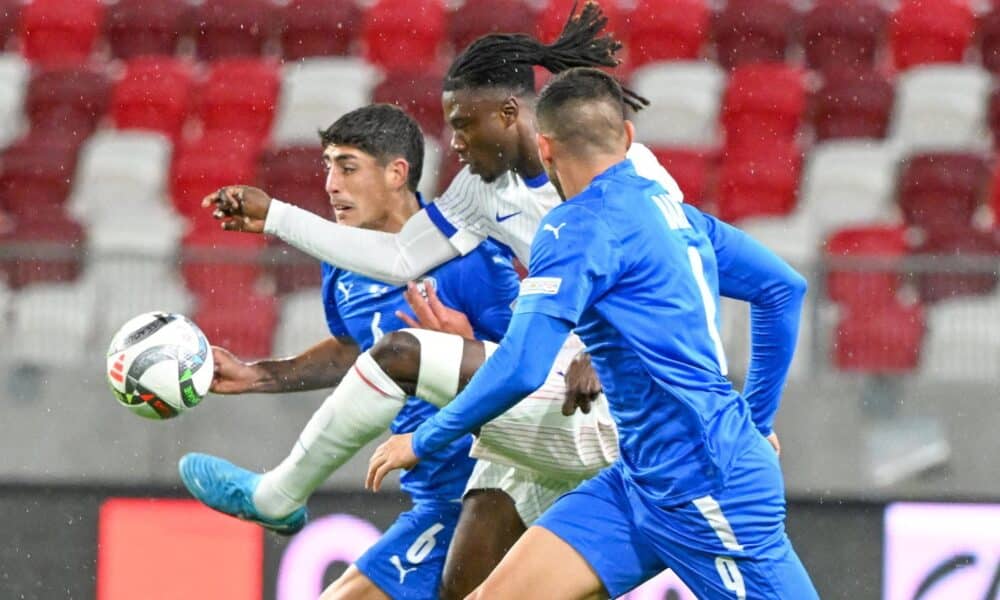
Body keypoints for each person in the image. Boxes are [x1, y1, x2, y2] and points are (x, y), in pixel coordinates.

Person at [196, 5, 670, 597]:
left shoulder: (616, 168)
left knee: (401, 353)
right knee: (461, 589)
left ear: (508, 113)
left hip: (621, 406)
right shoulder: (480, 190)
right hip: (533, 416)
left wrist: (607, 349)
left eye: (463, 124)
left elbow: (684, 268)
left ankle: (278, 494)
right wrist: (277, 218)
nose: (454, 142)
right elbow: (398, 257)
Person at [366, 67, 818, 599]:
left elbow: (522, 367)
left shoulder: (575, 226)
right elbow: (782, 289)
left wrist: (424, 438)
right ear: (627, 136)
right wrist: (758, 418)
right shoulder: (671, 209)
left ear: (545, 147)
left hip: (707, 485)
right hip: (638, 482)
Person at [178, 104, 522, 600]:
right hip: (433, 493)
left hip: (492, 489)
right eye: (327, 167)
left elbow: (535, 368)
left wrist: (466, 344)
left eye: (348, 167)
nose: (331, 185)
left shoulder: (469, 256)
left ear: (397, 172)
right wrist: (260, 376)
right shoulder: (342, 264)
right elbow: (353, 351)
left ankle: (276, 495)